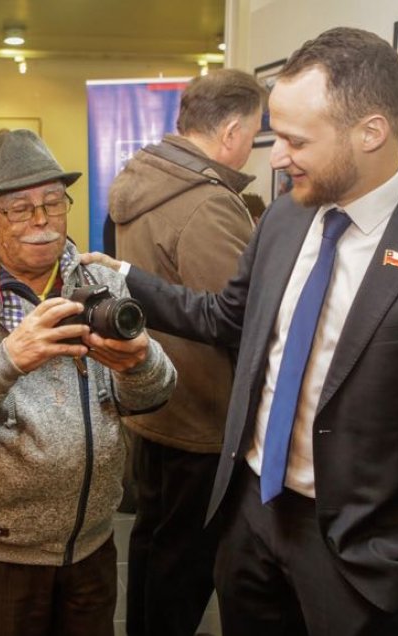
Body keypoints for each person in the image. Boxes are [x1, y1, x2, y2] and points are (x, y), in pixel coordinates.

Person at [85, 27, 398, 636]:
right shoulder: (284, 218)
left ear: (371, 133)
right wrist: (127, 279)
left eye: (297, 141)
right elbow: (228, 318)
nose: (275, 157)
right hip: (251, 519)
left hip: (364, 558)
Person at [0, 129, 176, 636]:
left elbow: (154, 394)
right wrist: (7, 358)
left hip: (93, 542)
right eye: (20, 208)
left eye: (53, 202)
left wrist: (141, 362)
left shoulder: (101, 286)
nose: (42, 219)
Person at [107, 69, 263, 636]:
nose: (253, 145)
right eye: (253, 131)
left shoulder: (144, 178)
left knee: (154, 541)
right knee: (187, 562)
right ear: (228, 130)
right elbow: (235, 316)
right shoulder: (207, 203)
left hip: (155, 394)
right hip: (200, 409)